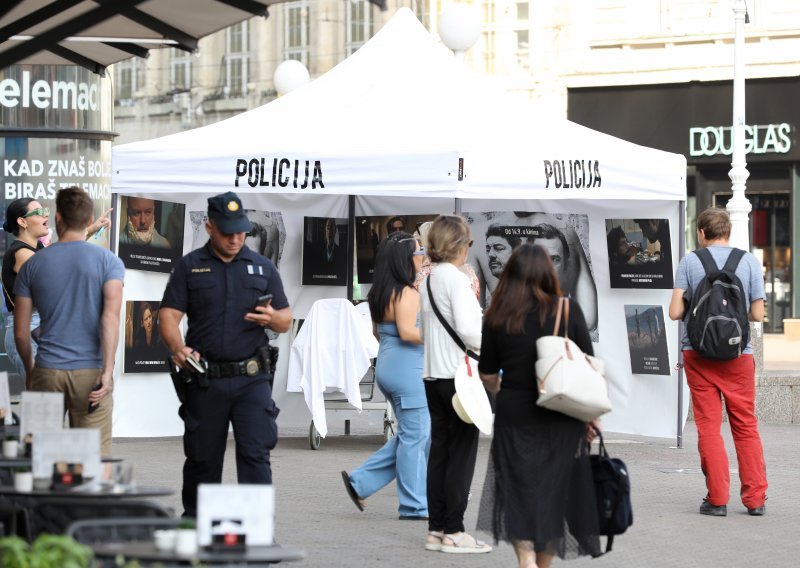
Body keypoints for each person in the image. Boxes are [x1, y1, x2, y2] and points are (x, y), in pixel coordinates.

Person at [159, 191, 292, 518]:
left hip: (251, 379)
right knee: (203, 459)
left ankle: (258, 534)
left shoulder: (262, 268)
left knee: (255, 455)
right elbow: (168, 316)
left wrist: (273, 319)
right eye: (227, 232)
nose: (235, 239)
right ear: (209, 227)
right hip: (206, 379)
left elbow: (286, 318)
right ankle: (196, 531)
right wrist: (178, 348)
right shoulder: (190, 267)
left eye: (240, 231)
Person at [476, 243, 601, 567]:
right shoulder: (566, 310)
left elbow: (487, 373)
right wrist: (592, 419)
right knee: (553, 495)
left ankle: (525, 560)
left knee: (517, 492)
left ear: (510, 275)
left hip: (513, 414)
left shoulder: (497, 315)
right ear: (549, 271)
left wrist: (503, 387)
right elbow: (588, 365)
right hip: (561, 415)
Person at [668, 207, 768, 517]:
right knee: (745, 426)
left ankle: (718, 498)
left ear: (701, 233)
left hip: (698, 355)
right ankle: (755, 500)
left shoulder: (690, 261)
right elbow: (758, 315)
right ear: (728, 232)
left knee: (709, 428)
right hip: (738, 356)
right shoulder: (748, 261)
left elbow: (674, 312)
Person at [13, 187, 124, 455]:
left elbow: (20, 332)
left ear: (58, 219)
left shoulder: (34, 265)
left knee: (41, 457)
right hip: (90, 372)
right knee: (92, 462)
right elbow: (110, 319)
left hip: (48, 370)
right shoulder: (109, 262)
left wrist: (31, 371)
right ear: (89, 221)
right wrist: (107, 373)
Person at [341, 231, 429, 520]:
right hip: (408, 370)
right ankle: (414, 506)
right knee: (416, 437)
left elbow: (378, 333)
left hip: (390, 366)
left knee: (411, 436)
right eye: (418, 252)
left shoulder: (379, 292)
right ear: (406, 259)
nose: (422, 257)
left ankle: (360, 482)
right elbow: (408, 332)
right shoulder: (407, 292)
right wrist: (439, 337)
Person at [419, 215, 490, 554]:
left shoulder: (429, 279)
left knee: (441, 454)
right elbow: (470, 330)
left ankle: (436, 529)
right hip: (458, 378)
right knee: (461, 456)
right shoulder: (457, 280)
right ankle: (455, 531)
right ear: (458, 244)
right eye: (468, 243)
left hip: (433, 375)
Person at [2, 199, 49, 383]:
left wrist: (88, 230)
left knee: (53, 399)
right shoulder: (21, 253)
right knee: (44, 400)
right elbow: (55, 274)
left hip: (38, 325)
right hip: (27, 327)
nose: (46, 214)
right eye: (38, 212)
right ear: (22, 222)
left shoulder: (37, 248)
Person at [414, 220, 480, 299]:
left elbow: (416, 304)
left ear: (423, 244)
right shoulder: (468, 270)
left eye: (418, 243)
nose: (415, 249)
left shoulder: (422, 274)